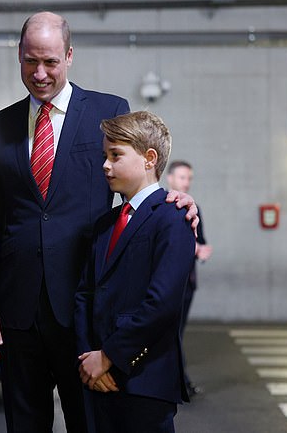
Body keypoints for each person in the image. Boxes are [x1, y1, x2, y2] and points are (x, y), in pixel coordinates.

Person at [0, 11, 198, 433]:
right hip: (17, 310)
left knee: (89, 423)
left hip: (85, 305)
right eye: (30, 61)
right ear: (18, 56)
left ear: (69, 56)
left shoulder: (108, 111)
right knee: (23, 423)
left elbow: (136, 181)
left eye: (50, 62)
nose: (39, 73)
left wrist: (172, 198)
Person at [75, 111, 195, 433]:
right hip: (98, 376)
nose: (105, 165)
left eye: (116, 155)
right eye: (105, 155)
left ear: (149, 159)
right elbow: (84, 294)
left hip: (145, 379)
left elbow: (162, 304)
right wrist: (90, 359)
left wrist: (110, 356)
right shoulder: (105, 223)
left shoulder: (173, 218)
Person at [166, 160, 213, 396]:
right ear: (170, 178)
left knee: (178, 332)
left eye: (189, 178)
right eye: (182, 177)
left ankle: (179, 382)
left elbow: (200, 242)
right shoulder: (163, 206)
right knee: (170, 333)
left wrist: (202, 250)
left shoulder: (195, 208)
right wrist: (194, 248)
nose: (186, 182)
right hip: (167, 282)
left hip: (187, 282)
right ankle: (179, 383)